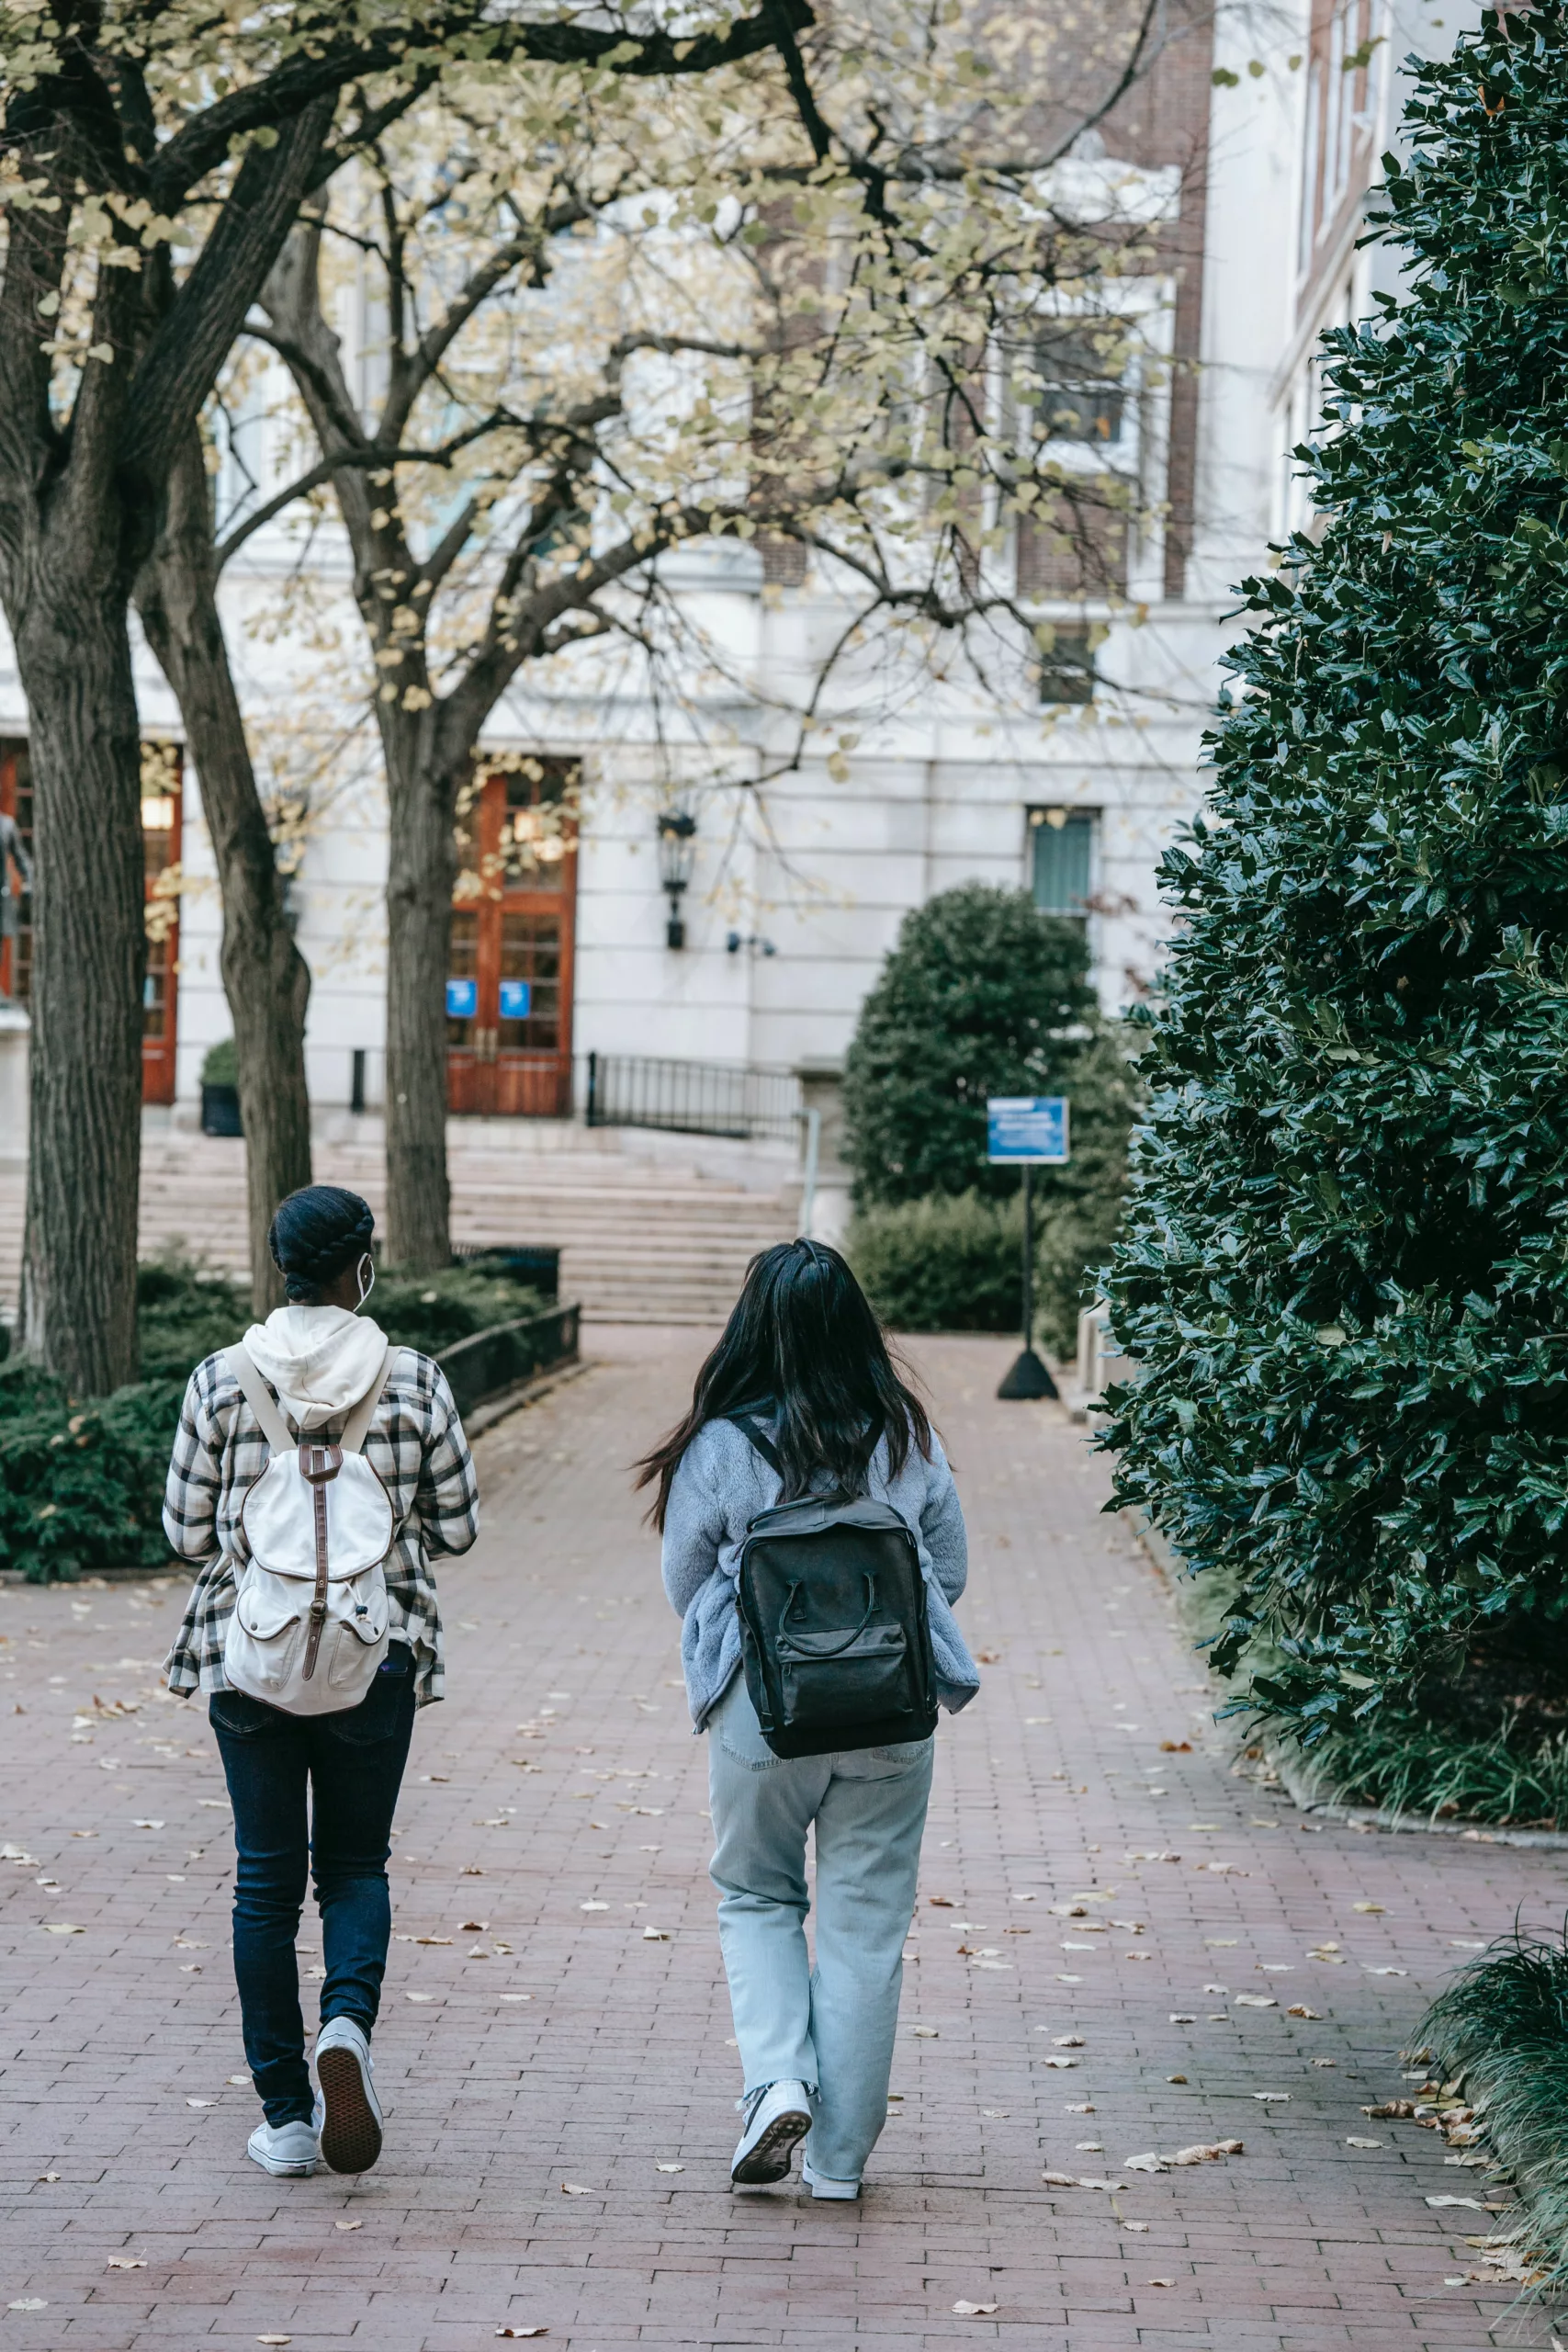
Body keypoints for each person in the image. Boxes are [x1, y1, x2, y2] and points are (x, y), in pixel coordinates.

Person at [638, 1238, 978, 2199]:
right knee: (868, 1925)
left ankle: (777, 2079)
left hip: (765, 1708)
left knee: (755, 1894)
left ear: (756, 1328)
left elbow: (685, 1581)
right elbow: (945, 1569)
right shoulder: (905, 1433)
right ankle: (836, 2164)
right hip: (892, 1705)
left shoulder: (720, 1446)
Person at [162, 1184, 479, 2179]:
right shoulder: (416, 1379)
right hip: (372, 1655)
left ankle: (288, 2119)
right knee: (354, 1865)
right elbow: (461, 1526)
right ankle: (348, 2022)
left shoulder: (220, 1379)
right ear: (363, 1265)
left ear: (280, 1264)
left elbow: (182, 1533)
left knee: (265, 1882)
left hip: (249, 1659)